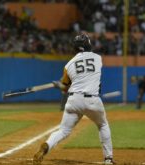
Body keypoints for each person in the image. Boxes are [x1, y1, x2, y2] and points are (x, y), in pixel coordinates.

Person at [33, 34, 115, 165]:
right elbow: (90, 77)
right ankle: (108, 159)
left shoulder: (68, 65)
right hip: (92, 100)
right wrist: (64, 84)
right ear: (88, 44)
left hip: (73, 101)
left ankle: (47, 145)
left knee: (63, 131)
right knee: (102, 125)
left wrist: (58, 84)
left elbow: (65, 88)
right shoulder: (97, 58)